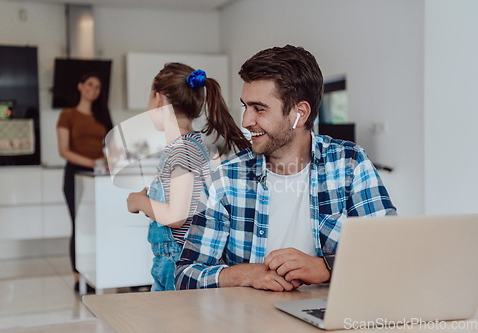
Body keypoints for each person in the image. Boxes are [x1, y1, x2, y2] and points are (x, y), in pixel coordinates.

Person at [175, 45, 397, 291]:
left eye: (259, 109)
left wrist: (326, 268)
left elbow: (389, 254)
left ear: (299, 114)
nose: (246, 121)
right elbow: (186, 275)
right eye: (245, 107)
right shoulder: (225, 178)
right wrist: (245, 275)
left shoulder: (350, 163)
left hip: (330, 317)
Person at [126, 63, 250, 291]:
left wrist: (138, 201)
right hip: (183, 255)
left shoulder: (181, 151)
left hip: (176, 258)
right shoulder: (194, 146)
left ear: (159, 99)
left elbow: (176, 216)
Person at [56, 73, 113, 293]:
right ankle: (79, 277)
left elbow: (111, 146)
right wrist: (94, 162)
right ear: (80, 86)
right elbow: (64, 151)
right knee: (79, 226)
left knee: (98, 227)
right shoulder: (67, 115)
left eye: (98, 87)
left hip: (100, 178)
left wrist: (109, 160)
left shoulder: (102, 116)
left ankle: (98, 271)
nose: (94, 89)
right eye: (90, 84)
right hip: (76, 176)